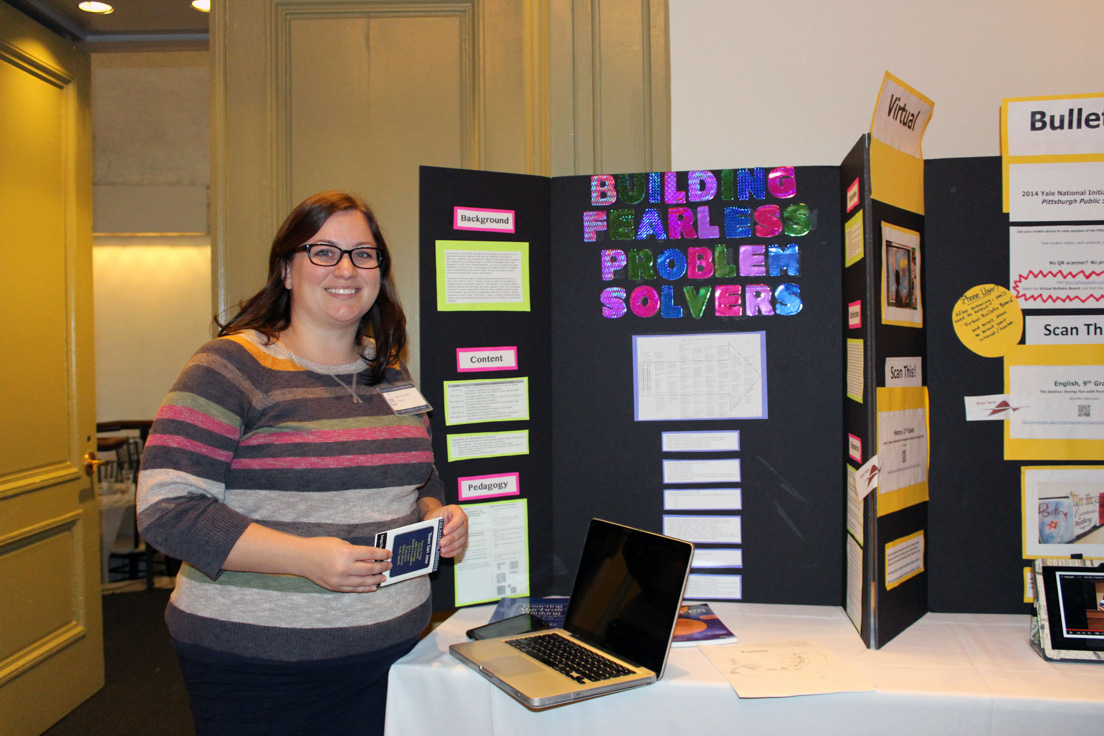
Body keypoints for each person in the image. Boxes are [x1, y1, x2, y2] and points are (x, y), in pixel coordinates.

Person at [137, 190, 467, 736]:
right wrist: (303, 558)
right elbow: (167, 509)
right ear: (287, 270)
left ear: (379, 272)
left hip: (394, 652)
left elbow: (419, 477)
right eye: (323, 252)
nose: (345, 268)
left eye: (364, 254)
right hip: (260, 666)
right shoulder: (232, 366)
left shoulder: (389, 372)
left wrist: (438, 511)